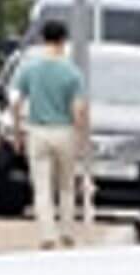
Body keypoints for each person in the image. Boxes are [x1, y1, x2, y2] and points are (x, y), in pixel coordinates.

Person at [10, 19, 87, 249]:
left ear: (43, 39)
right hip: (64, 131)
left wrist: (17, 131)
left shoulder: (30, 69)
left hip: (38, 131)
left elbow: (16, 101)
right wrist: (81, 137)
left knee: (41, 186)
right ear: (64, 41)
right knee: (66, 186)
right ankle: (67, 231)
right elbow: (78, 109)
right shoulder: (73, 73)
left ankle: (47, 235)